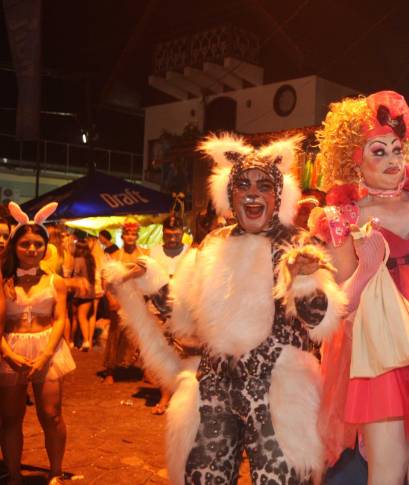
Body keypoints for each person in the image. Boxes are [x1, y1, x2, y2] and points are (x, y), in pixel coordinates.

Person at [104, 134, 346, 483]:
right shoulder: (215, 242)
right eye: (243, 184)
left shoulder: (297, 242)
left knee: (280, 478)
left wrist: (306, 282)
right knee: (202, 478)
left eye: (263, 185)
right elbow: (184, 315)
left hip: (276, 387)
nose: (252, 193)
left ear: (277, 195)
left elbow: (319, 322)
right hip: (214, 386)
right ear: (230, 193)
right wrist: (149, 278)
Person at [311, 91, 409, 484]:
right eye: (378, 151)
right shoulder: (341, 218)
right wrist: (364, 270)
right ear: (354, 159)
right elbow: (339, 305)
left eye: (397, 149)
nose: (393, 160)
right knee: (385, 467)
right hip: (380, 353)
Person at [0, 202, 76, 485]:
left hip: (48, 350)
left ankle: (55, 471)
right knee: (9, 418)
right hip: (9, 352)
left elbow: (60, 320)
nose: (32, 249)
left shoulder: (56, 282)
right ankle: (15, 474)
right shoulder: (3, 280)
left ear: (46, 247)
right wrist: (7, 354)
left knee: (52, 415)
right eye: (25, 244)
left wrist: (45, 355)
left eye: (37, 244)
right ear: (14, 246)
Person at [145, 214, 189, 415]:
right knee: (164, 354)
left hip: (184, 311)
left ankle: (183, 396)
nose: (172, 236)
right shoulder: (153, 253)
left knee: (184, 354)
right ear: (164, 232)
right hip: (158, 309)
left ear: (182, 231)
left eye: (176, 232)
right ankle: (164, 395)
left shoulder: (191, 253)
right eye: (169, 232)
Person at [102, 219, 147, 383]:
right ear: (122, 236)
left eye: (133, 234)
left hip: (139, 299)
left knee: (142, 335)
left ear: (137, 236)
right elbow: (105, 281)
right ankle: (110, 370)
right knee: (116, 334)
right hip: (120, 300)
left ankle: (145, 369)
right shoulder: (114, 256)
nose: (130, 237)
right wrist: (111, 299)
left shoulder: (145, 254)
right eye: (127, 234)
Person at [71, 237, 101, 351]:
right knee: (88, 317)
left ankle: (85, 341)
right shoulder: (90, 258)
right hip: (91, 291)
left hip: (81, 291)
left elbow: (76, 273)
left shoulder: (78, 259)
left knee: (81, 317)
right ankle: (86, 340)